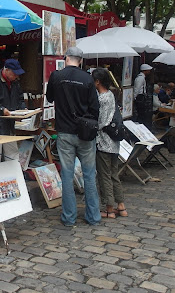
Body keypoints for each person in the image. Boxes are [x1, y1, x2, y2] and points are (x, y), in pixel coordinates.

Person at [46, 47, 100, 227]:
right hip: (85, 133)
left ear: (66, 58)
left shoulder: (56, 76)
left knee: (67, 175)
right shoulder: (88, 78)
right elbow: (95, 108)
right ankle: (93, 216)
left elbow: (49, 98)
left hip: (65, 132)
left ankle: (69, 217)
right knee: (89, 175)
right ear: (81, 60)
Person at [92, 68, 127, 220]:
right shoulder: (111, 94)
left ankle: (109, 209)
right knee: (114, 174)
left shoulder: (102, 98)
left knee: (104, 175)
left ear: (97, 81)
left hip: (104, 142)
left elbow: (101, 122)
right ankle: (121, 205)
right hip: (114, 142)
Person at [0, 58, 26, 164]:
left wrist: (23, 109)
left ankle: (14, 173)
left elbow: (20, 98)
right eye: (14, 73)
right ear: (6, 70)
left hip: (9, 123)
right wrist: (2, 109)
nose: (16, 76)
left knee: (12, 152)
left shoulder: (14, 82)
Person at [133, 64, 153, 129]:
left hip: (141, 97)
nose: (149, 71)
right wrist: (134, 97)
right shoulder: (140, 78)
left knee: (142, 113)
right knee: (141, 113)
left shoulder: (142, 78)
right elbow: (137, 89)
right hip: (140, 97)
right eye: (148, 70)